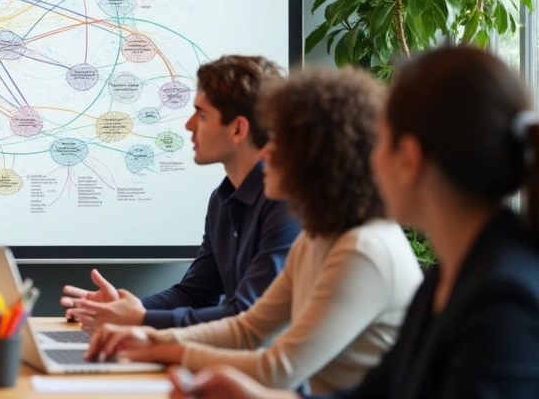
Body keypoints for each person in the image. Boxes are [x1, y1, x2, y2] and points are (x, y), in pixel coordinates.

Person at [165, 46, 539, 399]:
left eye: (378, 143)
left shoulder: (501, 297)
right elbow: (372, 394)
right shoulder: (449, 279)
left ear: (408, 158)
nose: (366, 160)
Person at [88, 66, 422, 394]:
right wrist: (151, 337)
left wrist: (159, 346)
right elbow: (246, 329)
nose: (265, 152)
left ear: (318, 159)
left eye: (282, 143)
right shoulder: (315, 239)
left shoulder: (362, 249)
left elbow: (278, 370)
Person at [62, 55, 300, 329]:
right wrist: (123, 309)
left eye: (202, 114)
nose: (189, 125)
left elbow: (248, 314)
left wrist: (139, 318)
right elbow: (196, 293)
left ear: (237, 128)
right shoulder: (221, 200)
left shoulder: (286, 201)